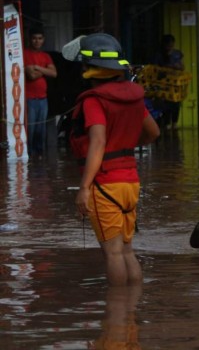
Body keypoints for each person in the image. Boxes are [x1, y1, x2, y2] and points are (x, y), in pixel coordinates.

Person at [64, 33, 160, 286]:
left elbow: (97, 142)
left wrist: (84, 188)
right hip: (131, 183)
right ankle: (131, 309)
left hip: (105, 184)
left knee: (113, 253)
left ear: (90, 68)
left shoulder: (95, 100)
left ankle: (117, 313)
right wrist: (124, 144)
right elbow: (153, 133)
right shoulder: (134, 96)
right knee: (126, 250)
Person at [23, 26, 57, 158]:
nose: (37, 41)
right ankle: (29, 156)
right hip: (29, 98)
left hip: (43, 98)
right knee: (30, 130)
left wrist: (37, 67)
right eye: (34, 38)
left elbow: (54, 73)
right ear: (30, 39)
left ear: (43, 40)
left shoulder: (45, 56)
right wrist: (44, 70)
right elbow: (31, 75)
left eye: (40, 38)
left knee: (40, 130)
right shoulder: (24, 54)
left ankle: (39, 157)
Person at [153, 34, 184, 130]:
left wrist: (176, 67)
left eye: (171, 45)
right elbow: (156, 69)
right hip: (164, 84)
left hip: (175, 83)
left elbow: (182, 67)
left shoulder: (176, 54)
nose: (170, 47)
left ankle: (174, 123)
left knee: (176, 103)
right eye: (168, 45)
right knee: (165, 104)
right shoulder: (159, 55)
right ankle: (166, 123)